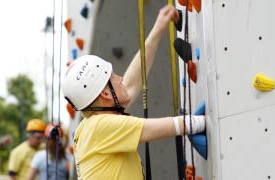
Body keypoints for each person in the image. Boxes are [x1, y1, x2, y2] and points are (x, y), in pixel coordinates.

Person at [62, 5, 206, 180]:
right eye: (113, 76)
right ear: (105, 94)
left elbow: (131, 83)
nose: (121, 78)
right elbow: (170, 127)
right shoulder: (101, 126)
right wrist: (211, 120)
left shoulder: (90, 126)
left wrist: (158, 29)